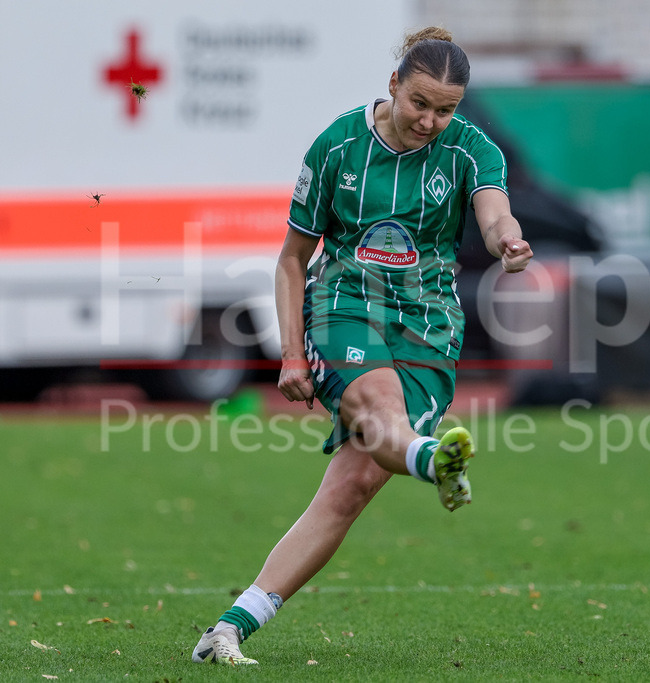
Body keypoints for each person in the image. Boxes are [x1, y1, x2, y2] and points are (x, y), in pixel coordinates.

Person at [191, 26, 533, 665]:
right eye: (421, 103)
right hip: (344, 306)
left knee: (350, 487)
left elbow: (494, 213)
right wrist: (291, 352)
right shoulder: (337, 146)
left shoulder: (473, 150)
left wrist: (507, 241)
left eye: (447, 109)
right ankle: (434, 461)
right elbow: (293, 259)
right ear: (394, 84)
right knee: (378, 411)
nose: (431, 120)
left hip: (430, 324)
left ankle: (230, 629)